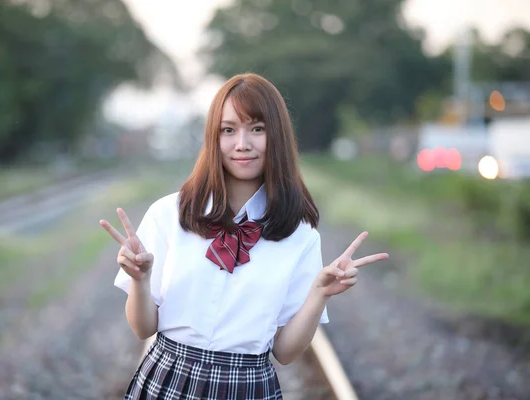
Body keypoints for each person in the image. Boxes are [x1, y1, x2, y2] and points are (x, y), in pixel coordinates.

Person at [99, 73, 388, 400]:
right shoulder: (169, 214)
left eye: (257, 129)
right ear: (213, 137)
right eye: (228, 130)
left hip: (249, 386)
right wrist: (140, 280)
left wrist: (320, 294)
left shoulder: (299, 234)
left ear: (276, 136)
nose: (242, 144)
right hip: (169, 378)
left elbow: (286, 352)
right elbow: (142, 328)